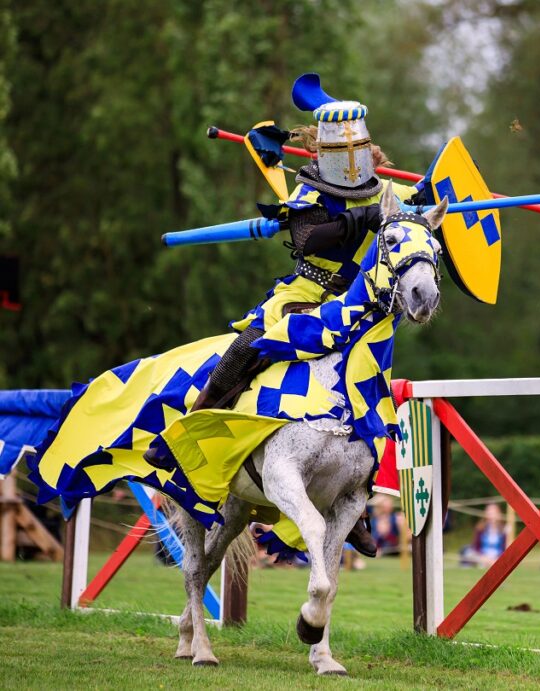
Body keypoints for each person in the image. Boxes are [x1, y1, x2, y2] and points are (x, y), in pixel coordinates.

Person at [145, 74, 422, 557]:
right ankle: (183, 441)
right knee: (247, 347)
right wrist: (360, 219)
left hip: (357, 305)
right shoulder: (310, 192)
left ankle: (358, 497)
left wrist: (431, 210)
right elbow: (310, 239)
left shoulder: (385, 194)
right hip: (306, 296)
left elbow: (413, 230)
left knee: (373, 391)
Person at [460, 503, 507, 567]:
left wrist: (496, 558)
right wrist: (484, 557)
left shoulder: (504, 529)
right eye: (489, 512)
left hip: (497, 557)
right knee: (468, 552)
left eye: (493, 512)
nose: (491, 514)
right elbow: (476, 547)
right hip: (482, 556)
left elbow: (504, 548)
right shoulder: (480, 528)